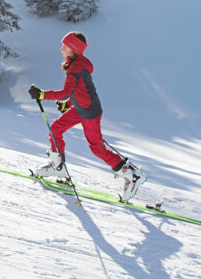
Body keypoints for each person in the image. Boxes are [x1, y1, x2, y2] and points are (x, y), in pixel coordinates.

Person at [28, 31, 146, 201]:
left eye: (65, 46)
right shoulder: (77, 64)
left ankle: (131, 175)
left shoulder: (76, 67)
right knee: (55, 129)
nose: (61, 49)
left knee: (97, 148)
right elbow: (80, 90)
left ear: (73, 49)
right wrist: (67, 104)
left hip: (89, 112)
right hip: (80, 108)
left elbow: (66, 91)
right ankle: (58, 166)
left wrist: (42, 95)